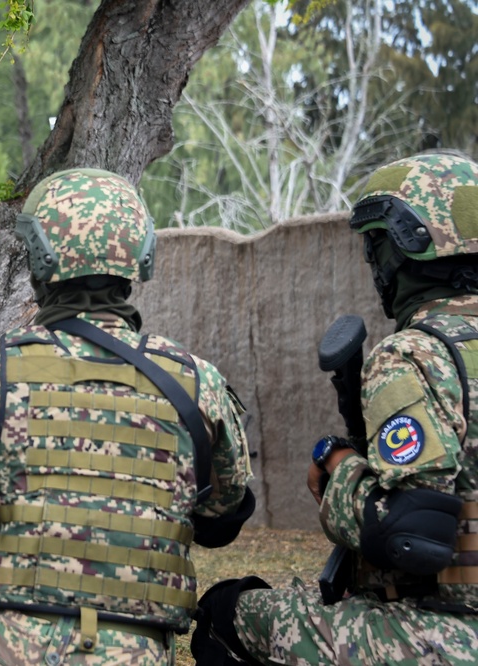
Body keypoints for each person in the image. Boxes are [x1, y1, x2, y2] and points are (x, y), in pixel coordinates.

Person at [0, 167, 256, 665]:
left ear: (39, 259)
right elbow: (223, 519)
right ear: (139, 256)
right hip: (132, 653)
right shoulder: (197, 386)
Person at [192, 151, 478, 665]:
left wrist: (337, 468)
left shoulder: (414, 354)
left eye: (377, 245)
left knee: (225, 612)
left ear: (404, 246)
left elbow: (413, 536)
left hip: (449, 635)